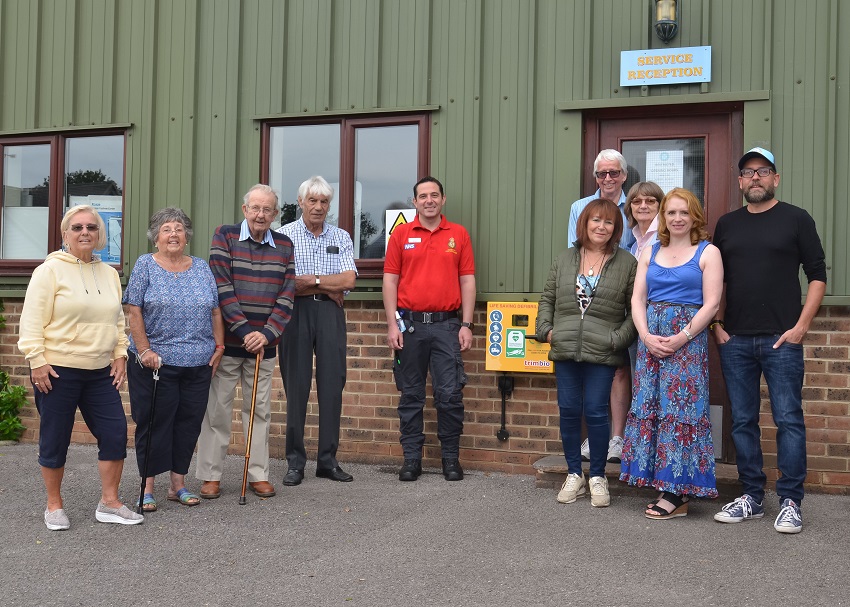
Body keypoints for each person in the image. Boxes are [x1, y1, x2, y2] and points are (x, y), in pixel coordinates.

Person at [712, 147, 826, 534]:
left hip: (783, 339)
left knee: (789, 420)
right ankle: (753, 497)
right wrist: (718, 326)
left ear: (775, 178)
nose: (755, 177)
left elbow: (817, 276)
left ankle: (791, 501)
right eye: (748, 172)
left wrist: (801, 327)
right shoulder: (727, 224)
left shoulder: (796, 219)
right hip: (736, 340)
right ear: (740, 180)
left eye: (763, 171)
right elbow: (716, 280)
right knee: (743, 422)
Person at [18, 205, 143, 529]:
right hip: (57, 370)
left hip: (101, 371)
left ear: (100, 234)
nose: (85, 232)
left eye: (91, 227)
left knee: (115, 433)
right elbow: (31, 321)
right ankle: (54, 505)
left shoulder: (109, 274)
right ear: (65, 234)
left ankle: (110, 503)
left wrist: (120, 354)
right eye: (77, 227)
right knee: (55, 438)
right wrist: (37, 361)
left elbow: (117, 320)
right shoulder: (49, 271)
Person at [619, 188, 723, 519]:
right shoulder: (650, 251)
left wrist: (682, 337)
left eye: (683, 212)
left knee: (681, 411)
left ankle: (677, 493)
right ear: (663, 218)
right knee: (652, 406)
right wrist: (646, 335)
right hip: (652, 342)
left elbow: (712, 304)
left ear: (695, 216)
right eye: (671, 213)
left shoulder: (708, 252)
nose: (677, 218)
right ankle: (661, 483)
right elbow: (638, 300)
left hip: (687, 343)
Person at [195, 184, 296, 499]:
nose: (261, 214)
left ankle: (258, 474)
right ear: (245, 210)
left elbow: (287, 294)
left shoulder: (284, 244)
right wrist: (243, 330)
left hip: (263, 347)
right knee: (217, 411)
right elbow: (221, 287)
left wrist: (264, 334)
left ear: (275, 214)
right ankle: (210, 475)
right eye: (255, 208)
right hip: (228, 343)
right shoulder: (224, 236)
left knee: (259, 411)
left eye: (267, 209)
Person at [536, 199, 637, 508]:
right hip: (565, 348)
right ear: (584, 223)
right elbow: (548, 298)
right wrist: (546, 331)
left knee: (595, 411)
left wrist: (617, 338)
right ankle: (573, 474)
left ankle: (597, 476)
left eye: (608, 222)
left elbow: (635, 310)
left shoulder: (626, 263)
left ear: (615, 227)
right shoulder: (565, 258)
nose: (601, 227)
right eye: (595, 220)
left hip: (603, 351)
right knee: (568, 410)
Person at [124, 208, 225, 511]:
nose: (173, 234)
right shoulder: (146, 265)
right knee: (155, 422)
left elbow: (215, 311)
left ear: (187, 236)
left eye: (179, 229)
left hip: (198, 362)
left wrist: (219, 346)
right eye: (166, 229)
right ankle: (148, 486)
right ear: (156, 236)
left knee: (188, 422)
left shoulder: (201, 268)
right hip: (156, 362)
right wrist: (144, 350)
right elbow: (133, 309)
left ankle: (178, 485)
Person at [383, 176, 475, 482]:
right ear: (415, 202)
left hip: (447, 325)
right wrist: (391, 324)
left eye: (434, 195)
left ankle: (450, 459)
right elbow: (390, 281)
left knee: (449, 395)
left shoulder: (458, 235)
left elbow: (467, 280)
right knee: (411, 396)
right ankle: (411, 460)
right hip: (409, 326)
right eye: (423, 196)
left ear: (443, 199)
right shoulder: (401, 234)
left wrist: (466, 324)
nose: (429, 200)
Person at [276, 177, 357, 486]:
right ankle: (295, 462)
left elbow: (349, 281)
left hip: (330, 313)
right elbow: (287, 284)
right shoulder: (283, 236)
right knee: (296, 387)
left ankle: (327, 460)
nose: (319, 207)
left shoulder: (342, 236)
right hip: (294, 314)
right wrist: (326, 281)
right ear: (301, 203)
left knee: (332, 385)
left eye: (324, 202)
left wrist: (313, 282)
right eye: (313, 201)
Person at [568, 149, 635, 464]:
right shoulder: (580, 207)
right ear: (595, 177)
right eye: (601, 174)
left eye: (613, 173)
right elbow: (576, 254)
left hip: (628, 294)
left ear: (623, 175)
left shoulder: (635, 205)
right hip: (591, 297)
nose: (607, 178)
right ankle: (598, 436)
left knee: (621, 367)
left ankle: (618, 439)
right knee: (594, 366)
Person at [624, 181, 665, 261]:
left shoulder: (666, 236)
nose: (643, 206)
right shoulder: (634, 245)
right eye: (637, 201)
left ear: (660, 205)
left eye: (650, 201)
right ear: (630, 206)